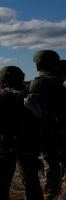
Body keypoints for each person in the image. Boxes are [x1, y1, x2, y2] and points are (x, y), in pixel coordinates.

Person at [0, 66, 44, 200]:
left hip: (6, 145)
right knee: (32, 180)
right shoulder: (31, 97)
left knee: (2, 180)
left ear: (3, 81)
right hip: (29, 146)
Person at [28, 50, 66, 200]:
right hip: (64, 131)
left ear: (39, 65)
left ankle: (51, 194)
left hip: (49, 133)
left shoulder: (38, 83)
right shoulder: (62, 82)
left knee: (51, 166)